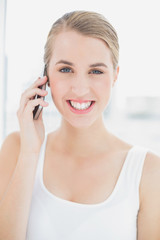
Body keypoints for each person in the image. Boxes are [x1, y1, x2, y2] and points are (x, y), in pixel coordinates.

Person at [0, 10, 160, 240]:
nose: (80, 88)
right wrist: (30, 153)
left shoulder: (148, 170)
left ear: (115, 75)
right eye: (66, 69)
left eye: (96, 71)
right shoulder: (17, 148)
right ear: (45, 77)